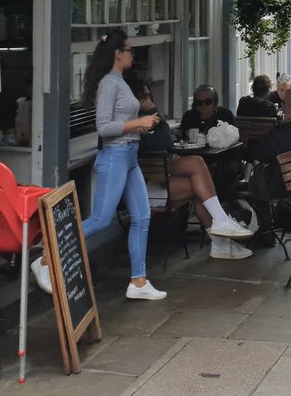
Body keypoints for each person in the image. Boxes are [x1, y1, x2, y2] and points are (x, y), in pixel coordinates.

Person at [33, 30, 183, 301]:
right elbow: (103, 127)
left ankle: (138, 281)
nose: (133, 54)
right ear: (117, 53)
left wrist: (144, 127)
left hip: (129, 156)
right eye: (129, 50)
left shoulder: (120, 82)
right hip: (114, 157)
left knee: (142, 216)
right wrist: (138, 122)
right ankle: (46, 258)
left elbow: (121, 124)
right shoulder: (109, 84)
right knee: (101, 219)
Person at [130, 86, 252, 259]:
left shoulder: (138, 124)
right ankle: (220, 235)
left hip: (150, 180)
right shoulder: (131, 126)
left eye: (149, 96)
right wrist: (154, 112)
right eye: (146, 97)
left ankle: (220, 236)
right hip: (140, 190)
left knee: (197, 166)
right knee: (199, 182)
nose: (149, 100)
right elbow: (165, 141)